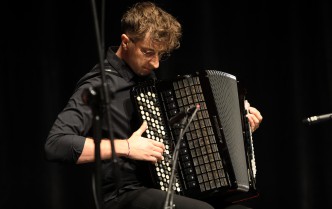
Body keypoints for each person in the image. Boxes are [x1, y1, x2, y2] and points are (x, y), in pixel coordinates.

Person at [44, 2, 263, 209]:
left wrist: (239, 127)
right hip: (124, 194)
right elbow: (56, 144)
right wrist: (127, 147)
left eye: (161, 55)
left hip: (164, 188)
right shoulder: (99, 83)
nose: (156, 63)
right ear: (125, 42)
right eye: (148, 52)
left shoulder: (148, 81)